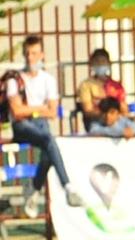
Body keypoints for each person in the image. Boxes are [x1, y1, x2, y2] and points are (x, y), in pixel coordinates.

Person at [3, 38, 83, 211]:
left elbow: (53, 112)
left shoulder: (48, 79)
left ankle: (35, 187)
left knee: (48, 145)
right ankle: (67, 186)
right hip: (22, 126)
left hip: (40, 125)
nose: (30, 58)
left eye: (34, 53)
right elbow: (17, 112)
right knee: (48, 139)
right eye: (27, 54)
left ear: (41, 55)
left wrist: (31, 110)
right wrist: (40, 108)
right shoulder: (15, 80)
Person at [76, 49, 135, 133]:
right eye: (97, 62)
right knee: (117, 131)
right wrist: (106, 116)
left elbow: (124, 110)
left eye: (103, 61)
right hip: (98, 122)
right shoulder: (86, 85)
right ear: (92, 64)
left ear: (108, 63)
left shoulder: (115, 86)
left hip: (119, 120)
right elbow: (88, 111)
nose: (100, 64)